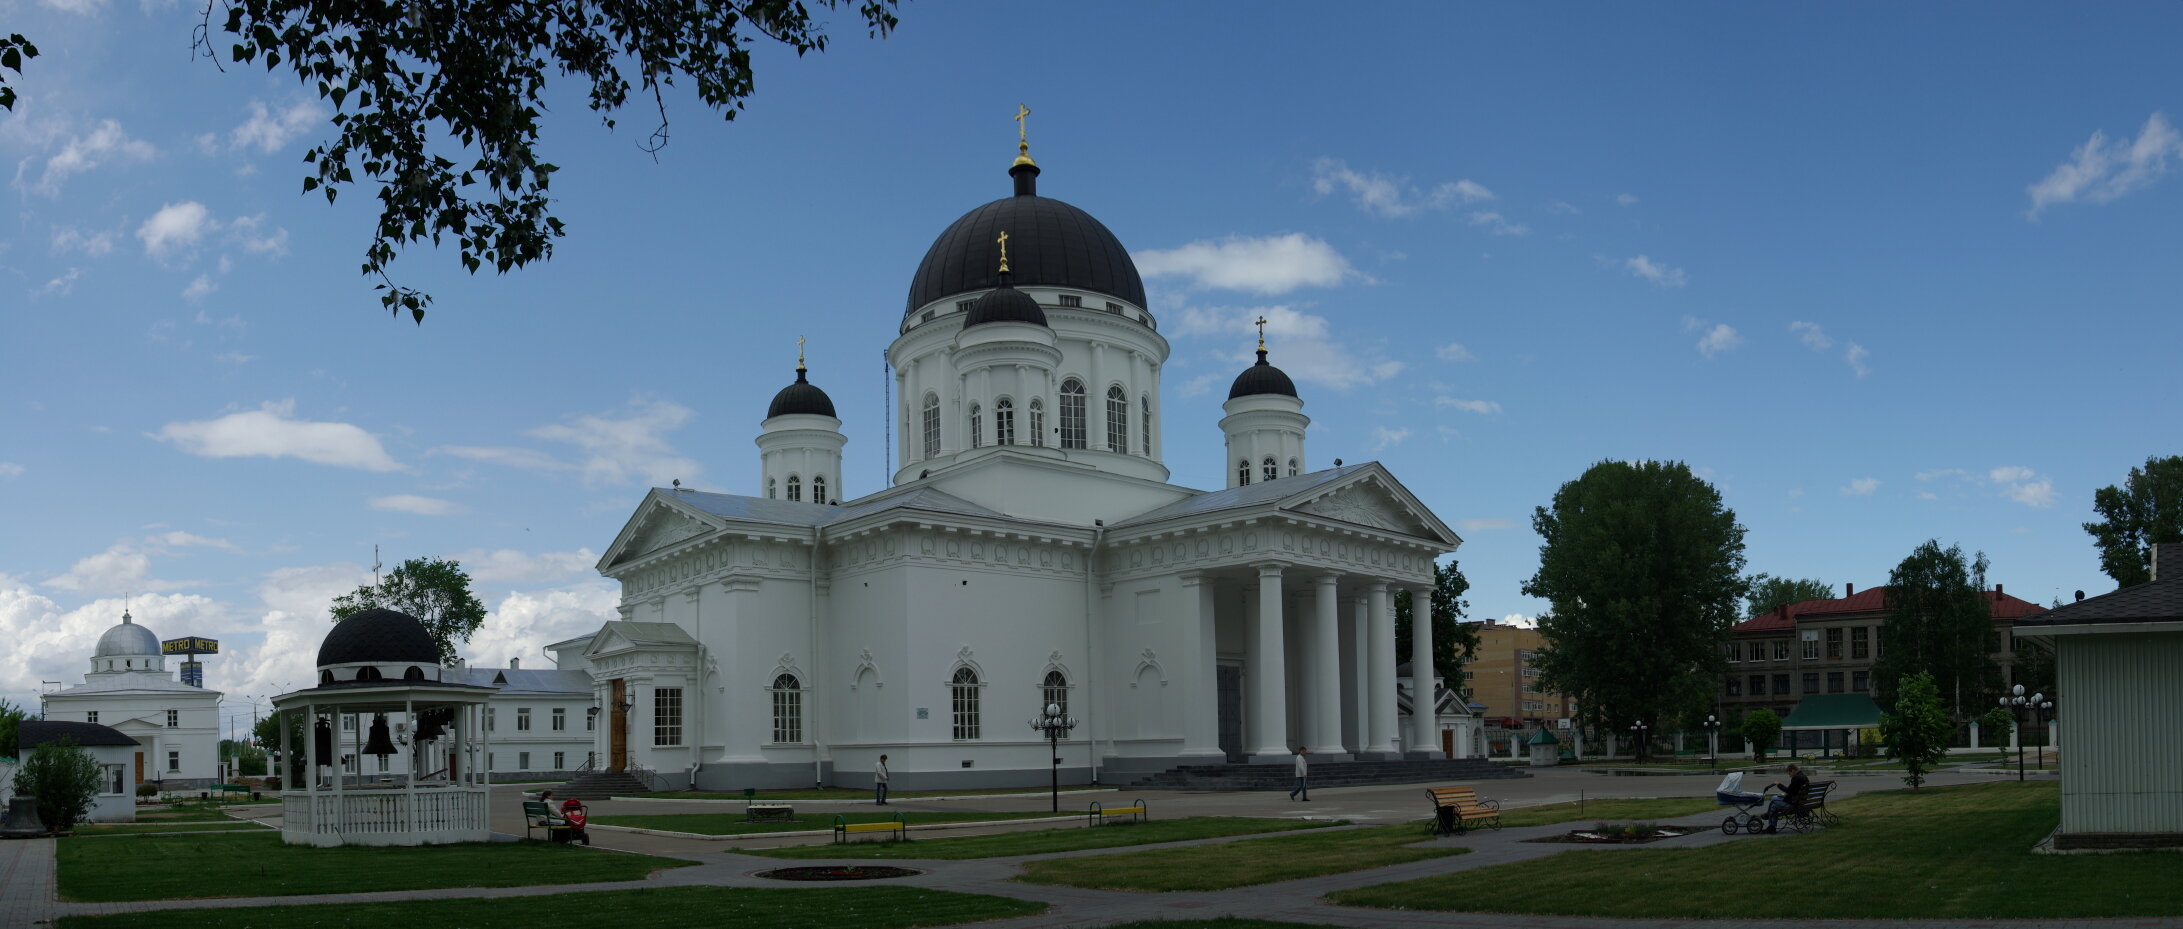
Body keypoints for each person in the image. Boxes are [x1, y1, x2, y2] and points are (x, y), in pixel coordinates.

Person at [1763, 763, 1809, 833]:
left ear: (1793, 770)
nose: (1789, 775)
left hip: (1794, 804)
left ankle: (1769, 818)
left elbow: (1788, 790)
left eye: (1789, 773)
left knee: (1773, 798)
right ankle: (1771, 826)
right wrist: (1785, 794)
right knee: (1774, 805)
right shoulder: (1803, 776)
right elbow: (1793, 791)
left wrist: (1779, 784)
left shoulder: (1796, 778)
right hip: (1799, 801)